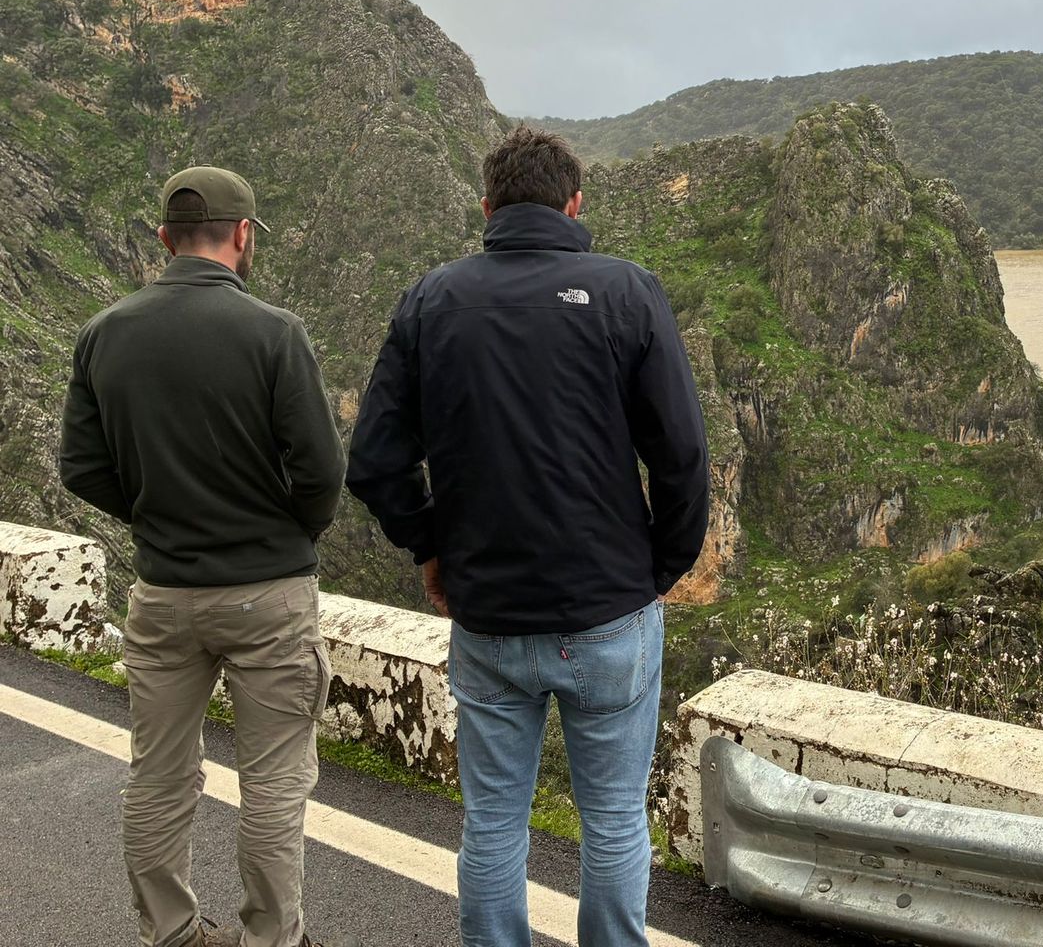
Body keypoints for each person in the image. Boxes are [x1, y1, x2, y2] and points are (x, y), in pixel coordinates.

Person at [345, 126, 710, 947]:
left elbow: (372, 461)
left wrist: (433, 549)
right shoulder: (627, 291)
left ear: (487, 207)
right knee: (614, 821)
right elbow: (682, 455)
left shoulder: (432, 299)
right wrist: (660, 568)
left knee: (495, 824)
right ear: (575, 205)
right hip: (610, 612)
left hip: (489, 616)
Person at [59, 167, 348, 947]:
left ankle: (172, 932)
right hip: (268, 595)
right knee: (274, 781)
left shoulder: (104, 333)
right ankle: (270, 937)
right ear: (243, 235)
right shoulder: (274, 333)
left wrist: (156, 514)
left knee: (156, 776)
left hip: (162, 594)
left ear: (163, 238)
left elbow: (81, 468)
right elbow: (321, 471)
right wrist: (292, 534)